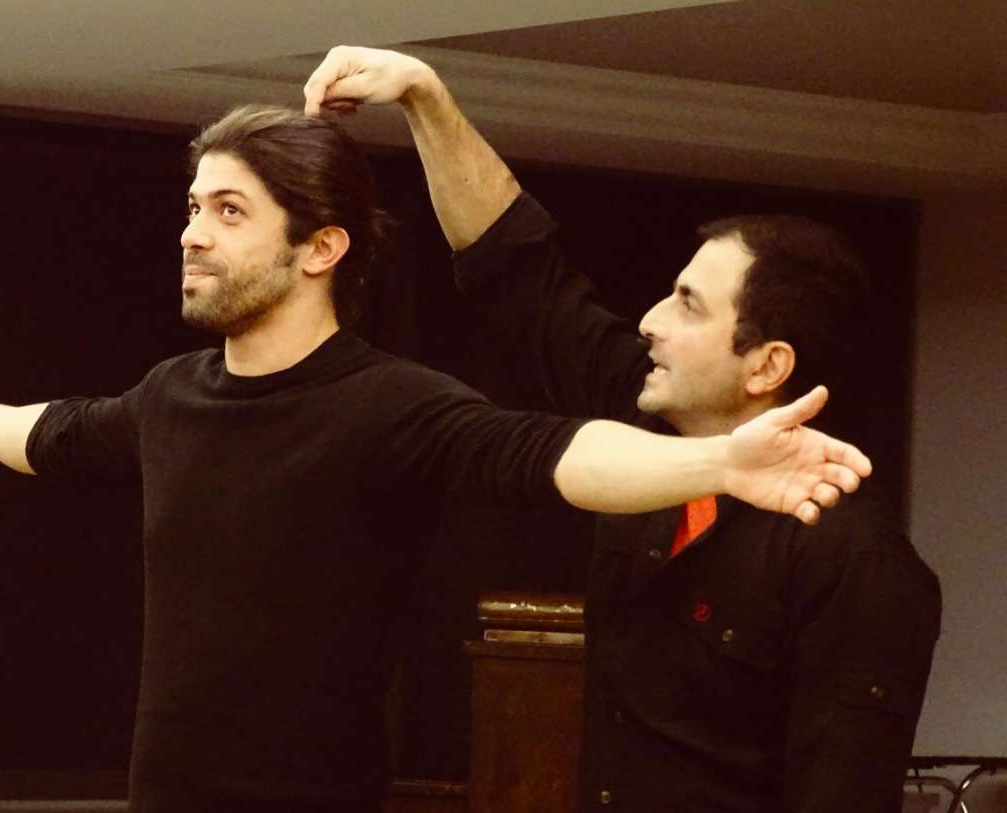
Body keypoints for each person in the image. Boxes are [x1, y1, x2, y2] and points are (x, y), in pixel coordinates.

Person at [0, 104, 872, 813]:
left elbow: (547, 453)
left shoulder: (389, 406)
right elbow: (57, 434)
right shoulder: (170, 396)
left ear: (320, 247)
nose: (193, 232)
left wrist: (720, 465)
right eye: (194, 206)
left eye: (230, 211)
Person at [304, 47, 942, 812]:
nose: (649, 321)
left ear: (767, 365)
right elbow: (519, 272)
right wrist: (425, 97)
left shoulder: (858, 562)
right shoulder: (646, 430)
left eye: (688, 304)